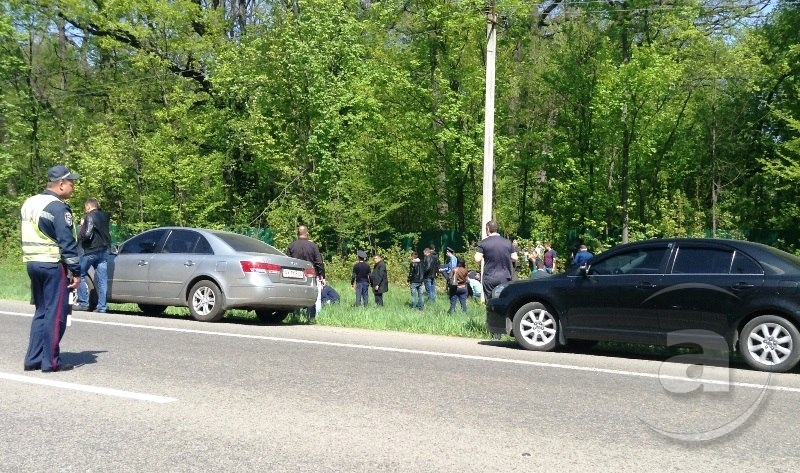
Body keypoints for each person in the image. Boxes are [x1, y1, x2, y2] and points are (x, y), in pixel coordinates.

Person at [21, 164, 82, 372]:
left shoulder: (30, 202)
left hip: (32, 262)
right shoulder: (57, 207)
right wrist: (76, 271)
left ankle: (33, 359)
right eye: (71, 182)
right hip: (52, 263)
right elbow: (66, 241)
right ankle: (51, 362)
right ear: (61, 184)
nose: (73, 186)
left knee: (41, 311)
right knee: (56, 314)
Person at [74, 197, 112, 313]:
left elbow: (86, 234)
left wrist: (81, 226)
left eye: (86, 208)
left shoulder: (88, 217)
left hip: (90, 250)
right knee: (102, 279)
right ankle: (102, 306)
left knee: (79, 274)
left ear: (89, 206)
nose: (85, 210)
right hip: (104, 250)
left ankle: (83, 303)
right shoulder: (105, 216)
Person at [287, 225, 325, 322]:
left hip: (294, 274)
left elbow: (287, 261)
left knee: (296, 295)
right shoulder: (313, 246)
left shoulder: (292, 246)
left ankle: (296, 316)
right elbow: (319, 262)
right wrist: (322, 276)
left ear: (297, 233)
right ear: (307, 233)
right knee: (311, 295)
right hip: (310, 274)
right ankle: (311, 318)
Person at [474, 220, 518, 300]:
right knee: (504, 300)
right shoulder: (507, 242)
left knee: (490, 302)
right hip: (505, 277)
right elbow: (515, 257)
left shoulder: (483, 243)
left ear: (488, 229)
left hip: (489, 277)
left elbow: (477, 259)